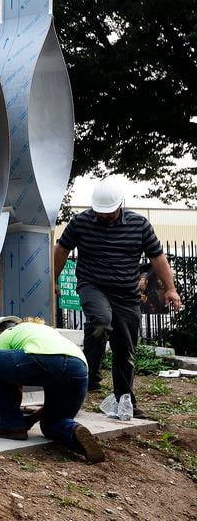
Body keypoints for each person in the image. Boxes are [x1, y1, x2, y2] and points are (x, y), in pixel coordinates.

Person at [53, 178, 182, 417]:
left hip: (126, 294)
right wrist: (53, 279)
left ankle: (125, 399)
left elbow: (157, 257)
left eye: (109, 213)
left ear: (120, 205)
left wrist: (171, 289)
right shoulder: (80, 223)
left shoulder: (139, 225)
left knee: (126, 348)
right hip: (93, 285)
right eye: (101, 213)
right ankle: (89, 376)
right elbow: (61, 249)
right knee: (100, 321)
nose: (105, 217)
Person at [0, 315, 105, 463]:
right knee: (52, 424)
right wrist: (32, 419)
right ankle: (74, 431)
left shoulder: (5, 335)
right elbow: (56, 372)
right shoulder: (45, 331)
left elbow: (12, 385)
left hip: (44, 360)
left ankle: (10, 426)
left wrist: (14, 419)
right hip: (79, 369)